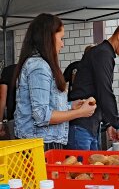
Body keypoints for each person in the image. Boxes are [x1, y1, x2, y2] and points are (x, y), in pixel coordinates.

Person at [12, 13, 96, 151]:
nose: (62, 44)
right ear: (48, 37)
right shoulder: (39, 66)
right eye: (61, 38)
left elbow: (44, 108)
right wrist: (80, 113)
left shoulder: (41, 64)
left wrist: (70, 106)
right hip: (40, 145)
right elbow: (42, 116)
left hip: (43, 142)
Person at [67, 21, 119, 150]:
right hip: (81, 126)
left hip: (90, 125)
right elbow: (105, 91)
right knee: (81, 170)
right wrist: (118, 126)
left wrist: (108, 124)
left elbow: (97, 91)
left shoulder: (104, 53)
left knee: (93, 168)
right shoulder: (103, 53)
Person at [0, 64, 17, 139]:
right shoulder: (34, 69)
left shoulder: (8, 70)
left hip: (14, 117)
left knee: (17, 148)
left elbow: (2, 97)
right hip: (32, 119)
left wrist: (0, 122)